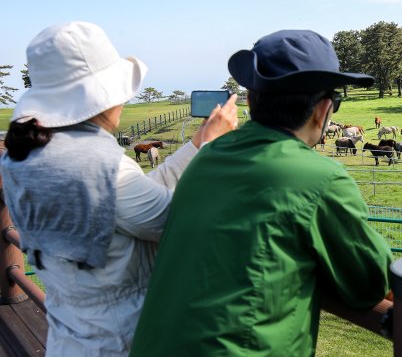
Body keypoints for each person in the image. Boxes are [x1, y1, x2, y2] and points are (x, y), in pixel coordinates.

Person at [131, 30, 393, 356]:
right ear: (323, 110)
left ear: (251, 101)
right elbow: (369, 284)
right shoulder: (322, 179)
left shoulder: (208, 157)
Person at [0, 21, 238, 357]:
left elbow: (128, 200)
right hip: (122, 342)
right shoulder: (98, 163)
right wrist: (213, 148)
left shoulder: (29, 155)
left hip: (69, 337)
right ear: (101, 95)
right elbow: (174, 221)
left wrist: (198, 143)